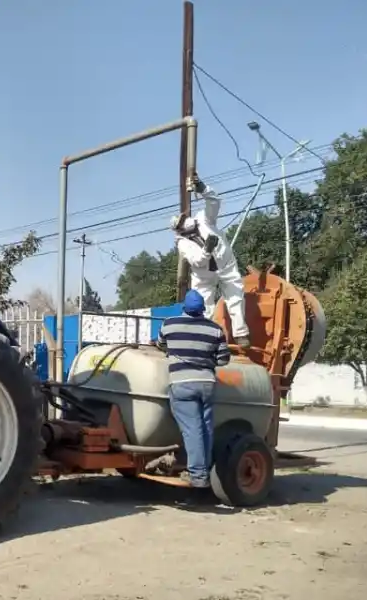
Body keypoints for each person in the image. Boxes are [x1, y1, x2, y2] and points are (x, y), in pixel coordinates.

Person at [156, 288, 231, 495]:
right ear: (202, 310)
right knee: (206, 429)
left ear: (184, 307)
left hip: (182, 384)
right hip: (207, 384)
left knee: (193, 430)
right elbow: (224, 359)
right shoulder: (215, 329)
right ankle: (203, 470)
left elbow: (161, 345)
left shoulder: (169, 324)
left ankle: (198, 476)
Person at [170, 174, 251, 348]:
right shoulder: (183, 243)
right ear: (179, 230)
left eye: (185, 219)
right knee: (204, 307)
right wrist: (207, 249)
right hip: (204, 275)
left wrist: (202, 188)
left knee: (235, 297)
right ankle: (205, 338)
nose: (186, 222)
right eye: (182, 223)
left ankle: (241, 334)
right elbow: (197, 261)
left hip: (226, 264)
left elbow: (214, 202)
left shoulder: (204, 220)